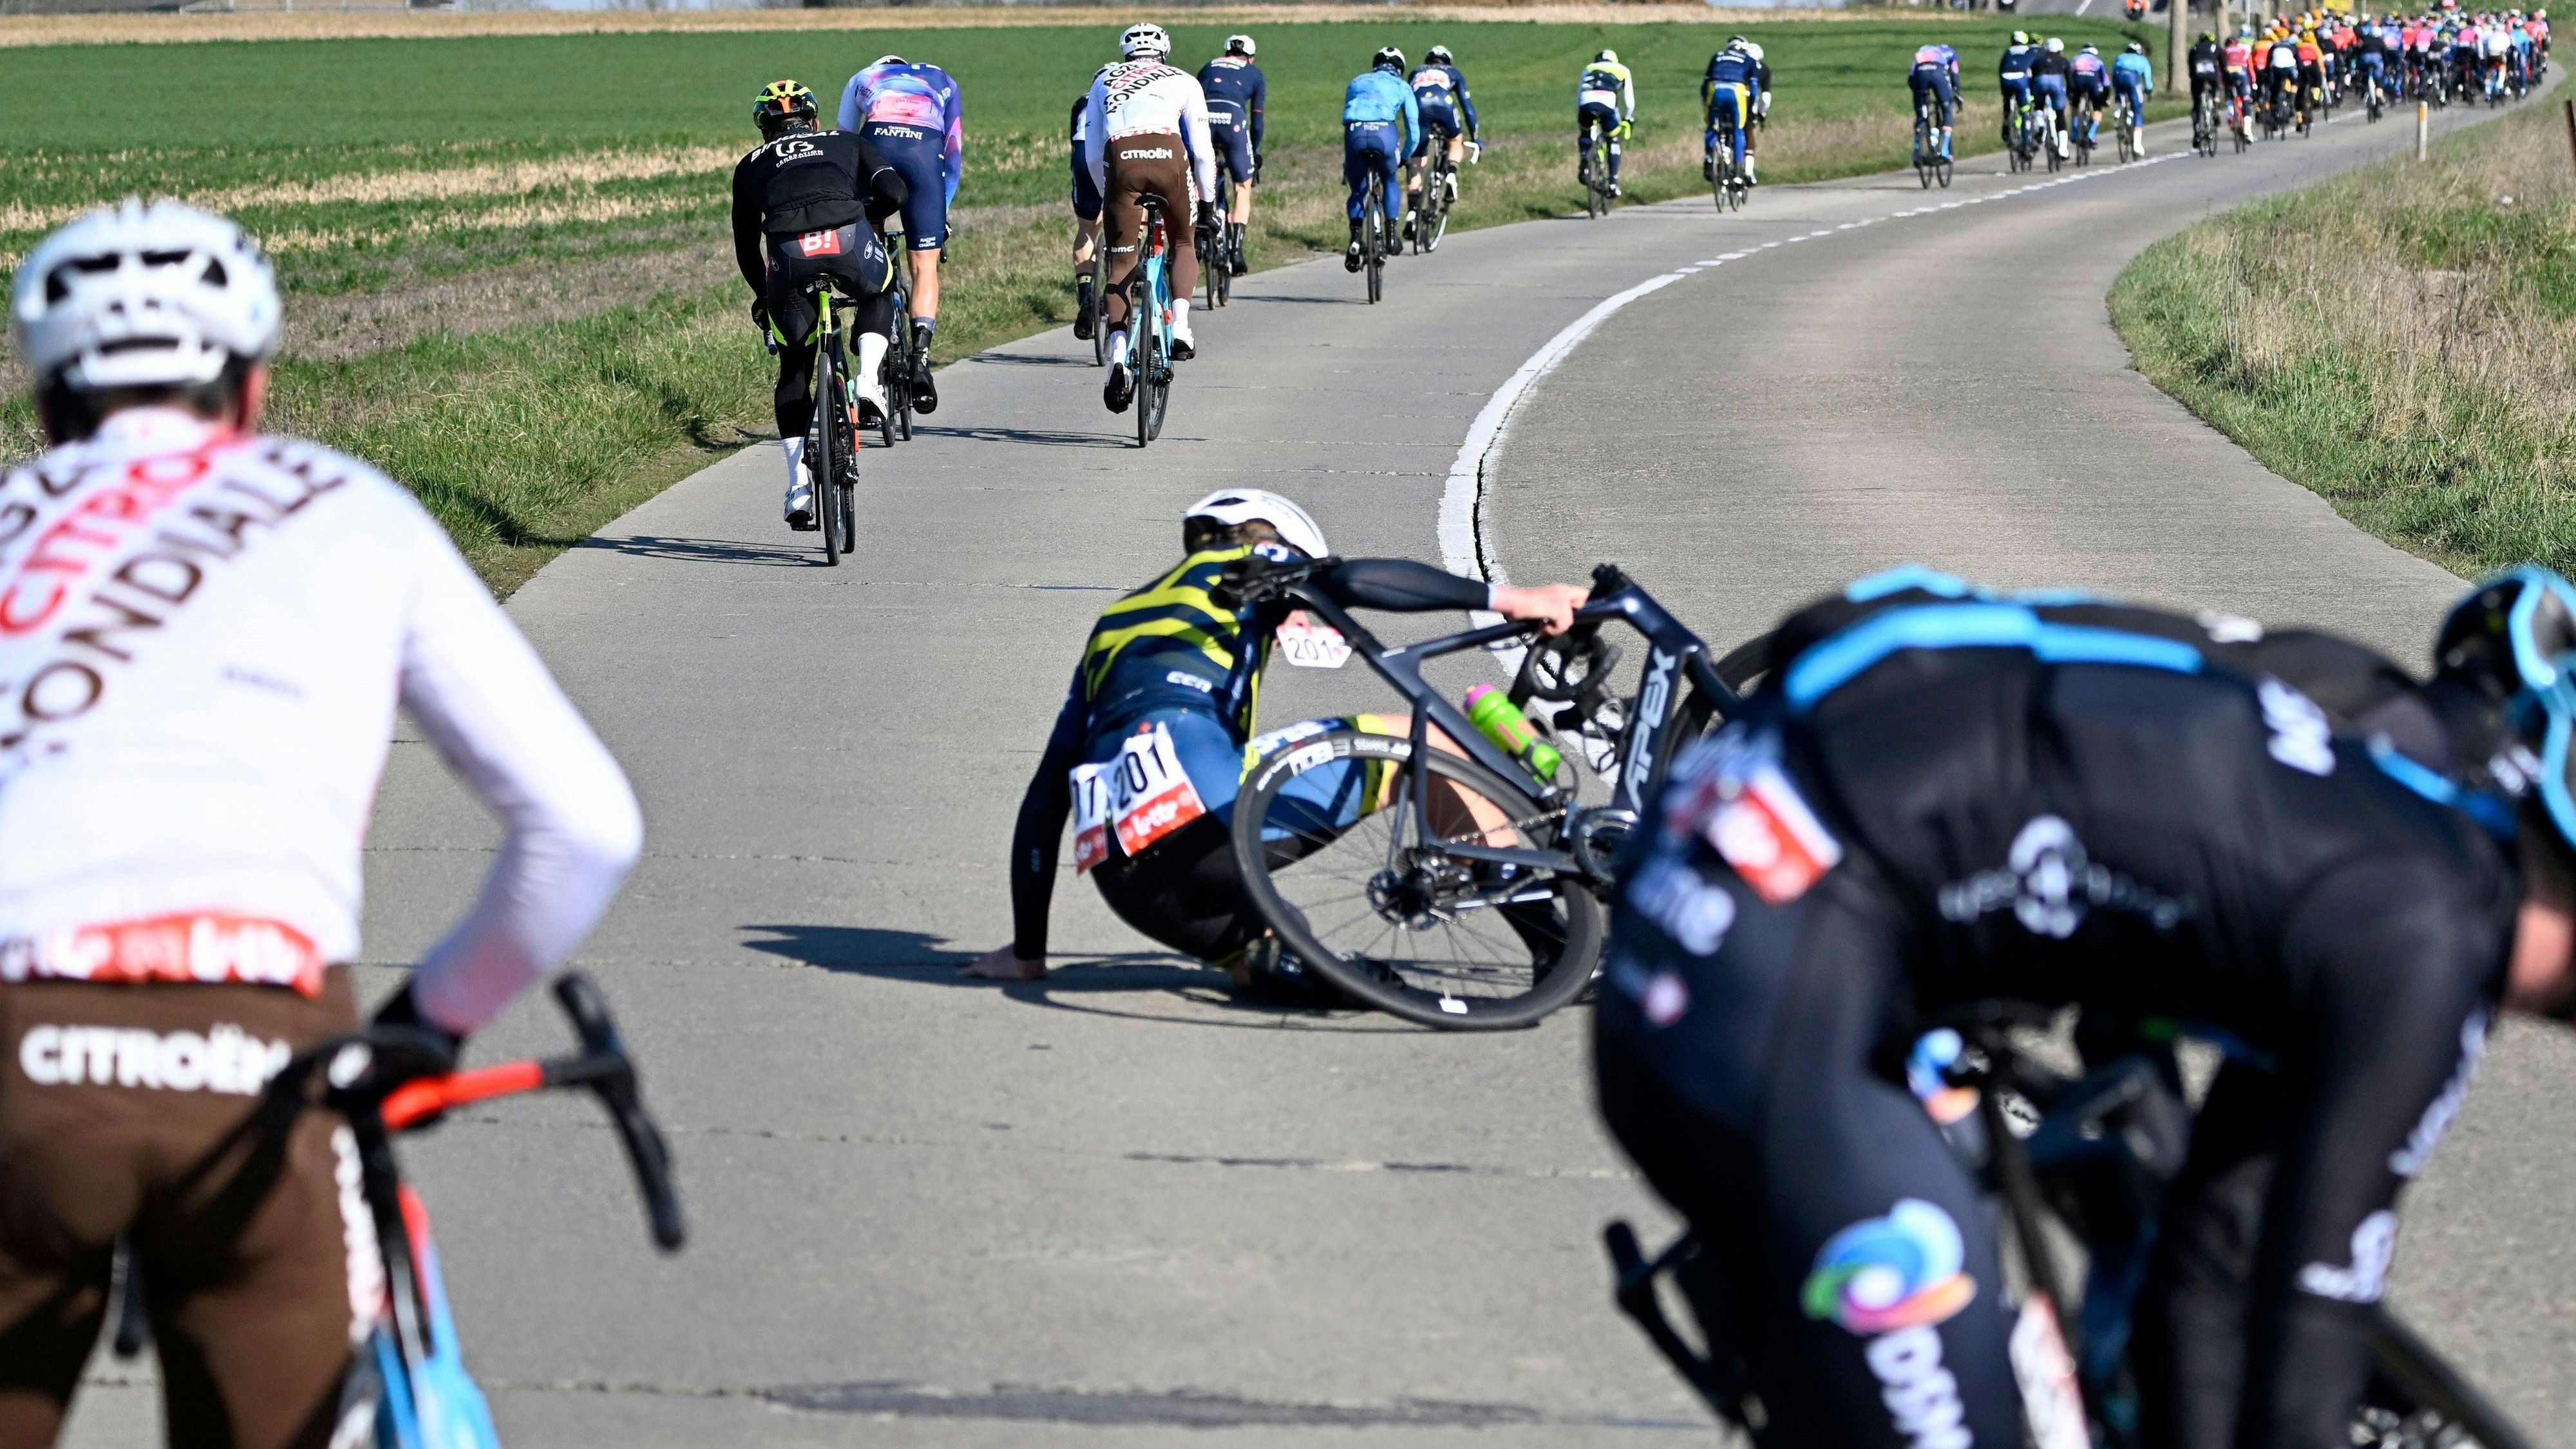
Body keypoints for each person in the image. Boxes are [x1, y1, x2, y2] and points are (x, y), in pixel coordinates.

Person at [1594, 564, 2576, 1449]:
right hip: (1769, 946)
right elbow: (2315, 1312)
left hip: (1775, 863)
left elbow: (2221, 1255)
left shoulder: (2397, 856)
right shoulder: (2428, 934)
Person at [0, 198, 642, 1449]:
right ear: (251, 389)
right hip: (267, 1057)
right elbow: (585, 824)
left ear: (47, 405)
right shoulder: (349, 508)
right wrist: (425, 1023)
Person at [965, 489, 1591, 993]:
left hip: (1134, 883)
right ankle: (1555, 946)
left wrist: (1028, 950)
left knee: (1267, 950)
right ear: (1271, 538)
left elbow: (1045, 800)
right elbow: (1359, 581)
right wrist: (1512, 598)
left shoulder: (1114, 625)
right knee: (1419, 744)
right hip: (1207, 820)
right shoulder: (1248, 562)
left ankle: (1273, 963)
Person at [733, 80, 909, 531]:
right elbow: (894, 192)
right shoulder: (847, 141)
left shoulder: (750, 165)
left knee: (794, 369)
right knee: (879, 290)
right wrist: (868, 214)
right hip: (847, 238)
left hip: (789, 256)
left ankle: (797, 486)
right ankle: (869, 383)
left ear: (765, 131)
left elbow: (747, 247)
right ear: (813, 121)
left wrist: (764, 297)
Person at [1083, 23, 1218, 410]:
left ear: (1126, 52)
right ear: (1164, 51)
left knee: (1121, 264)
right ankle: (1180, 326)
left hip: (1121, 163)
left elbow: (1093, 155)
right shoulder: (1184, 79)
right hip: (1169, 160)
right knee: (1182, 242)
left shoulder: (1104, 78)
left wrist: (1106, 193)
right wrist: (1207, 206)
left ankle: (1120, 358)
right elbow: (1204, 151)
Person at [837, 55, 961, 415]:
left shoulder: (863, 75)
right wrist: (942, 213)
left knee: (869, 258)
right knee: (925, 267)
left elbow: (844, 144)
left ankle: (871, 338)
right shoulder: (943, 79)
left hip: (876, 149)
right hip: (925, 153)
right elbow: (953, 155)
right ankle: (920, 358)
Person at [1342, 46, 1419, 267]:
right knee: (1389, 180)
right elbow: (1414, 129)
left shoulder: (1356, 81)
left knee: (1358, 190)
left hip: (1355, 132)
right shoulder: (1402, 86)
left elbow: (1346, 114)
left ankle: (1355, 239)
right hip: (1384, 134)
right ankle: (1391, 235)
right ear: (1400, 68)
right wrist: (1405, 156)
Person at [1197, 34, 1266, 277]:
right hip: (1233, 122)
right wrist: (1253, 155)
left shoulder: (1208, 66)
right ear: (1251, 58)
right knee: (1242, 187)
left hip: (1203, 119)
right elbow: (1257, 123)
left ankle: (1198, 231)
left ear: (1225, 53)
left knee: (1199, 176)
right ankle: (1236, 251)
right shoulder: (1255, 74)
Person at [1405, 44, 1481, 232]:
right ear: (1447, 61)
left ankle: (1412, 213)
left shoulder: (1416, 72)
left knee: (1416, 160)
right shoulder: (1453, 72)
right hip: (1443, 103)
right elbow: (1467, 107)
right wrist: (1476, 137)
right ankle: (1451, 175)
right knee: (1455, 139)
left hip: (1419, 107)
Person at [1068, 84, 1104, 341]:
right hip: (1113, 154)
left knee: (1086, 228)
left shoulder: (1081, 101)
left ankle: (1086, 300)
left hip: (1082, 156)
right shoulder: (1126, 92)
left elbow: (1075, 142)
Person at [1577, 48, 1637, 196]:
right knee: (1613, 139)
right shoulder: (1623, 70)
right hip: (1607, 103)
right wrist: (1628, 117)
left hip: (1586, 102)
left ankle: (1585, 160)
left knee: (1585, 132)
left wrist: (1581, 111)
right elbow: (1629, 102)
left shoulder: (1589, 68)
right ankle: (1612, 182)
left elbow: (1579, 94)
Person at [1705, 38, 1763, 184]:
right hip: (1736, 91)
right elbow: (1754, 91)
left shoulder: (1717, 56)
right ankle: (1737, 173)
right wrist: (1750, 109)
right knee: (1738, 129)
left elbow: (1704, 85)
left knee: (1712, 126)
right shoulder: (1749, 59)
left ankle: (1709, 159)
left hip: (1715, 88)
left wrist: (1706, 105)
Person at [1908, 41, 1962, 161]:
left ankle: (1917, 152)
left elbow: (1912, 75)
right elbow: (1955, 74)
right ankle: (1945, 151)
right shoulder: (1951, 52)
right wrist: (1957, 93)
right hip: (1938, 73)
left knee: (1921, 115)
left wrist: (1917, 96)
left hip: (1920, 73)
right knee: (1947, 108)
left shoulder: (1923, 49)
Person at [2033, 37, 2074, 156]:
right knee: (2060, 114)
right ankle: (2063, 149)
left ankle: (2040, 124)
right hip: (2056, 83)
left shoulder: (2038, 60)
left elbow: (2032, 77)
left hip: (2040, 81)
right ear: (2060, 50)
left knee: (2039, 106)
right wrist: (2070, 93)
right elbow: (2070, 82)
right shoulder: (2064, 61)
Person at [1999, 30, 2041, 144]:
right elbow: (2036, 68)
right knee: (2025, 109)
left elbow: (2001, 68)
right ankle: (2026, 142)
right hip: (2020, 78)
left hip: (2005, 78)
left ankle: (2007, 124)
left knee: (2007, 100)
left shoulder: (2008, 51)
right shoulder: (2029, 51)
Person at [2112, 41, 2155, 153]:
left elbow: (2114, 71)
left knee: (2120, 92)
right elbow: (2147, 78)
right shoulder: (2143, 60)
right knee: (2137, 110)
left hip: (2118, 76)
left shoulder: (2121, 57)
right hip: (2132, 78)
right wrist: (2149, 90)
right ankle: (2137, 145)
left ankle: (2118, 109)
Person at [2069, 43, 2112, 149]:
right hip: (2093, 84)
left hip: (2078, 82)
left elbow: (2070, 75)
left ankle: (2074, 132)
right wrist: (2105, 99)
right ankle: (2091, 135)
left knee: (2075, 105)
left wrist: (2070, 92)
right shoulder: (2098, 61)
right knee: (2097, 108)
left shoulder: (2076, 59)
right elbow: (2106, 82)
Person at [2190, 30, 2226, 122]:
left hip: (2198, 74)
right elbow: (2223, 64)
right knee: (2216, 86)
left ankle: (2197, 122)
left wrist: (2192, 75)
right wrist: (2225, 76)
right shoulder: (2215, 47)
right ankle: (2216, 109)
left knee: (2197, 99)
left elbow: (2191, 63)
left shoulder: (2195, 48)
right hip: (2212, 74)